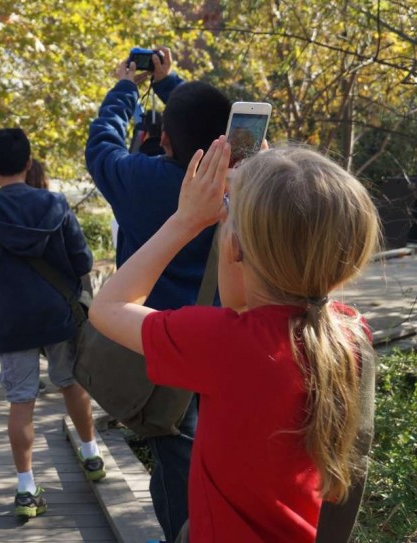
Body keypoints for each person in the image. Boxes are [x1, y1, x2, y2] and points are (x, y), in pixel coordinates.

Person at [90, 138, 380, 542]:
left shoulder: (222, 343)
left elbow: (108, 307)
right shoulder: (350, 333)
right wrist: (253, 197)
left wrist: (187, 220)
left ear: (235, 247)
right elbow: (245, 305)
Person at [84, 48, 231, 542]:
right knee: (226, 457)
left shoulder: (144, 181)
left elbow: (103, 147)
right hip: (232, 346)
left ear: (164, 138)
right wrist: (172, 86)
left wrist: (125, 89)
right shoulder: (247, 183)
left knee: (176, 462)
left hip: (163, 349)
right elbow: (213, 125)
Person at [0, 128, 104, 518]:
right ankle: (92, 456)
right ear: (29, 163)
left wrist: (8, 300)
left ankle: (26, 488)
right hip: (58, 314)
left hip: (13, 322)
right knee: (71, 383)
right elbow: (82, 262)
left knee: (20, 400)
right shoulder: (56, 205)